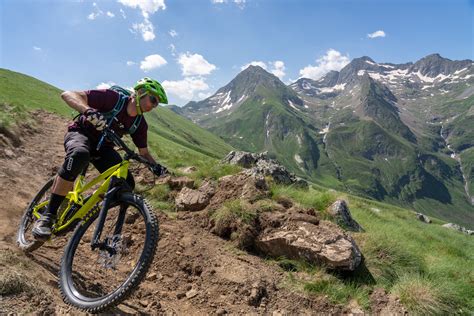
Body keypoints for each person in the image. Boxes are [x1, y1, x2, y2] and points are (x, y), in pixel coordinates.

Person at [32, 77, 168, 239]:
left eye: (157, 104)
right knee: (80, 155)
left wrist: (156, 166)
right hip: (81, 133)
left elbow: (144, 153)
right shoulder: (113, 98)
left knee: (127, 183)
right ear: (140, 93)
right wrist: (88, 111)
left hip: (103, 147)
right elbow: (68, 94)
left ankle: (88, 210)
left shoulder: (140, 124)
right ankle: (48, 217)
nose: (153, 106)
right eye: (153, 99)